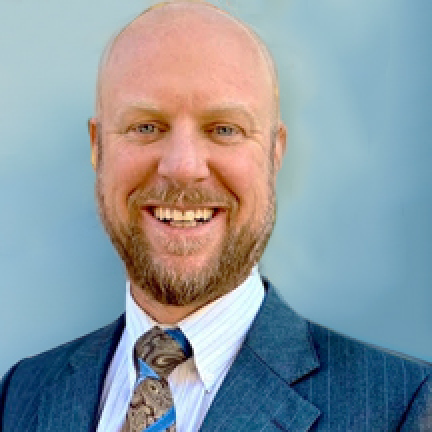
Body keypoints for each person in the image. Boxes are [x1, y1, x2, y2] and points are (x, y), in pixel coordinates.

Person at [1, 1, 431, 431]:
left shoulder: (400, 406)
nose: (183, 166)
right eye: (146, 126)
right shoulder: (21, 394)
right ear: (97, 147)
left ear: (274, 152)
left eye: (224, 129)